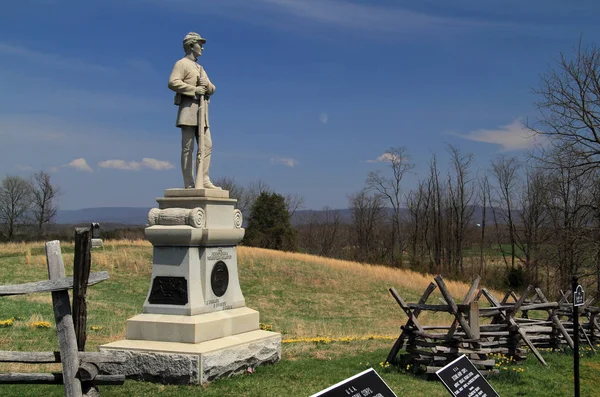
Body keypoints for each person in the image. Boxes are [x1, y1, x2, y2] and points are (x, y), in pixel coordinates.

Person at [168, 32, 219, 189]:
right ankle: (189, 183)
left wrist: (207, 86)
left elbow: (212, 88)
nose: (202, 48)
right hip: (188, 111)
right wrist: (194, 90)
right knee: (188, 148)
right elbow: (173, 82)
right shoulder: (181, 64)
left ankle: (203, 179)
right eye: (200, 45)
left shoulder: (200, 68)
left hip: (202, 113)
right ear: (191, 45)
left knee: (207, 145)